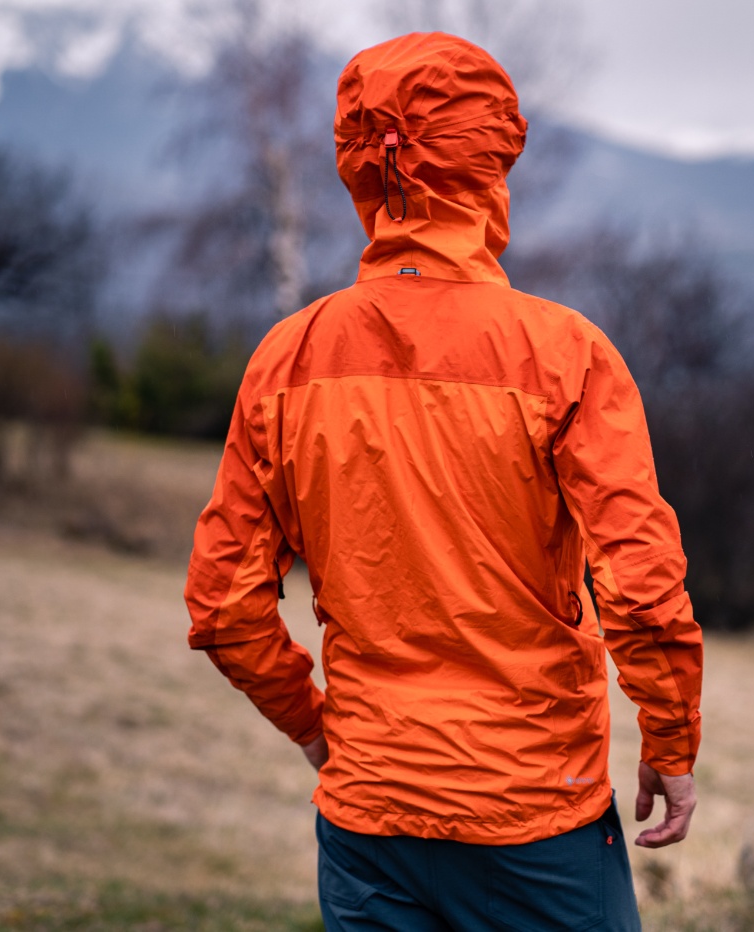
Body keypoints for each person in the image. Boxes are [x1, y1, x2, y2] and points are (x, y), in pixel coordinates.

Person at [184, 31, 703, 931]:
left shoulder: (288, 358)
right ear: (493, 161)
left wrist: (316, 728)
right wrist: (670, 735)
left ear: (358, 169)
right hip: (537, 817)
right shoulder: (566, 355)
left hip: (370, 826)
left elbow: (223, 605)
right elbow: (640, 580)